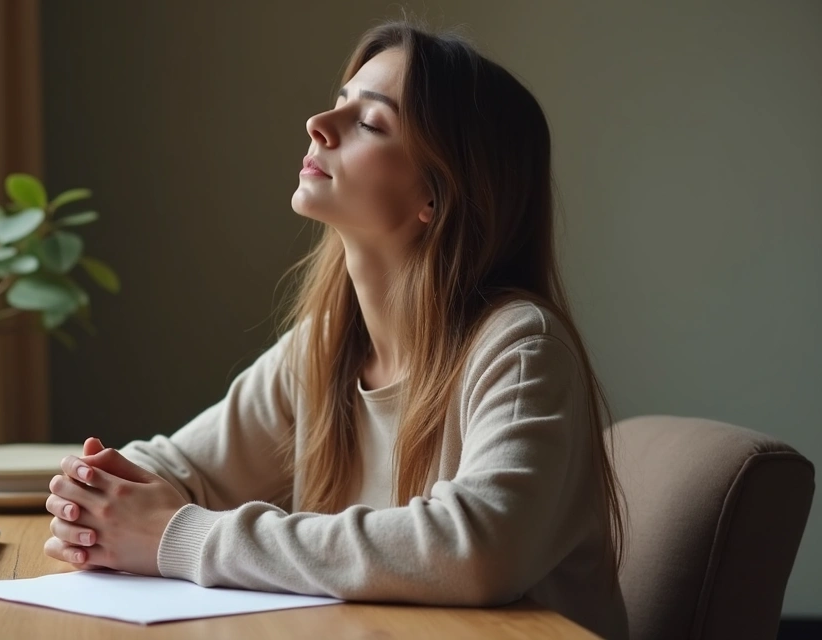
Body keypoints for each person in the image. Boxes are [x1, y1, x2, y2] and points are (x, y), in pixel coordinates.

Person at [43, 20, 628, 640]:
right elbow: (183, 466)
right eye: (340, 101)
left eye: (370, 122)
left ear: (437, 194)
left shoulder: (519, 349)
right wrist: (97, 494)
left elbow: (475, 548)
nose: (318, 124)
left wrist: (179, 536)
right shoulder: (326, 347)